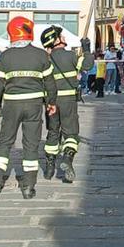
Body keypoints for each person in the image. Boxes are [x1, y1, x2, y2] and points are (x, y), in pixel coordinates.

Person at [0, 16, 56, 200]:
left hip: (11, 105)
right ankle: (28, 187)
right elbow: (50, 82)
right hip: (34, 105)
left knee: (5, 142)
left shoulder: (6, 56)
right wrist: (51, 102)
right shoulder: (41, 55)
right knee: (31, 144)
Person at [40, 25, 82, 183]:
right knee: (71, 133)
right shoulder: (70, 55)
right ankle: (67, 159)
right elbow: (88, 64)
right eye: (61, 36)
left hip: (50, 102)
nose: (64, 37)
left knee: (53, 132)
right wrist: (85, 48)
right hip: (68, 100)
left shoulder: (45, 59)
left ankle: (49, 168)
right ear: (56, 40)